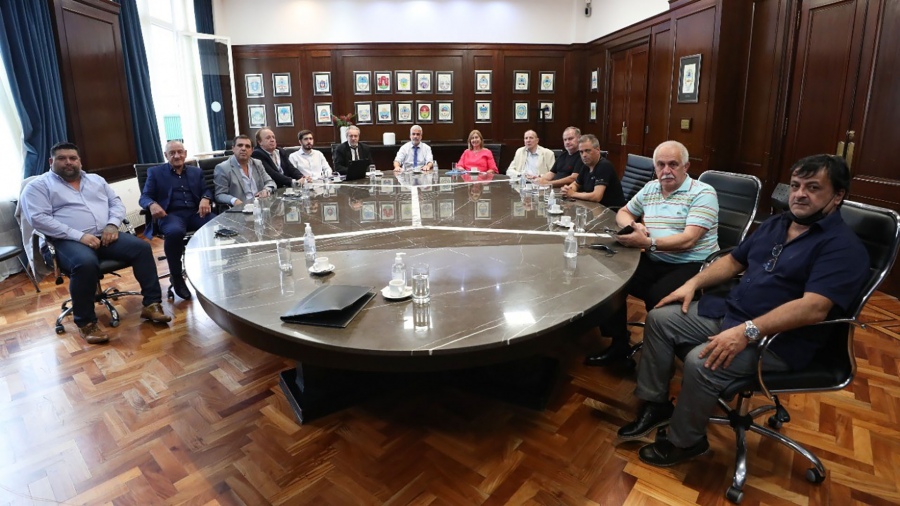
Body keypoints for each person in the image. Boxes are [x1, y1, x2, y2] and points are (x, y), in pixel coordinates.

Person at [618, 154, 868, 467]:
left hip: (777, 340)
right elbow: (734, 261)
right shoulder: (778, 223)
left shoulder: (842, 247)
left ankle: (686, 442)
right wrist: (692, 284)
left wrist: (747, 331)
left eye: (813, 187)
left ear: (838, 195)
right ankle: (656, 404)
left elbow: (813, 308)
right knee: (659, 318)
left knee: (699, 361)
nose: (800, 194)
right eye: (795, 185)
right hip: (733, 312)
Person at [20, 142, 171, 344]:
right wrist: (79, 236)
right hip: (63, 241)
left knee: (142, 248)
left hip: (104, 235)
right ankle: (86, 322)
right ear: (51, 161)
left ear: (80, 161)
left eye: (73, 158)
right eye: (62, 158)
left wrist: (112, 225)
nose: (68, 162)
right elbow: (39, 219)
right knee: (85, 263)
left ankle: (151, 305)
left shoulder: (95, 180)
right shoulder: (38, 187)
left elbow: (116, 203)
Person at [585, 140, 719, 367]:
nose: (666, 171)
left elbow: (689, 240)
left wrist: (649, 243)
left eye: (673, 164)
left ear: (686, 166)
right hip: (654, 256)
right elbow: (624, 212)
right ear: (655, 168)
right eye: (660, 165)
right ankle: (619, 344)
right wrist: (634, 225)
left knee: (658, 297)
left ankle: (659, 361)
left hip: (692, 263)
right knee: (609, 279)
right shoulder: (651, 188)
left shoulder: (703, 193)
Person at [139, 141, 214, 300]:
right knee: (175, 232)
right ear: (166, 155)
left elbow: (206, 190)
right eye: (172, 153)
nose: (177, 156)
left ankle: (215, 270)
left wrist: (206, 198)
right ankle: (176, 276)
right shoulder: (155, 172)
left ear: (185, 153)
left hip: (195, 213)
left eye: (180, 152)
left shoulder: (196, 172)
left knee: (217, 226)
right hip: (170, 215)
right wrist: (152, 204)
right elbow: (144, 197)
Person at [560, 134, 626, 208]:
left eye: (587, 151)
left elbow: (596, 196)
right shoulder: (586, 165)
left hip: (610, 210)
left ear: (598, 150)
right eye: (581, 152)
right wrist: (568, 190)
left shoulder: (604, 166)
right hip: (592, 207)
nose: (584, 155)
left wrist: (572, 194)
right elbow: (576, 184)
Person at [214, 135, 276, 207]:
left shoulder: (257, 163)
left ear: (252, 150)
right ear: (233, 149)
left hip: (260, 206)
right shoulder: (223, 168)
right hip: (240, 208)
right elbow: (219, 195)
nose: (243, 149)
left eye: (247, 146)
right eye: (240, 145)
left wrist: (266, 190)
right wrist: (234, 200)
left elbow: (270, 182)